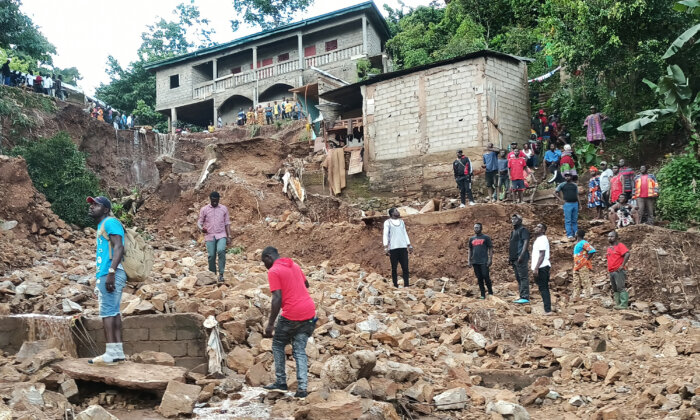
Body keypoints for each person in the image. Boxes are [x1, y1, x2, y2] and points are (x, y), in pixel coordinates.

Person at [261, 246, 316, 399]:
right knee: (299, 349)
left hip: (292, 313)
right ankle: (302, 389)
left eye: (263, 262)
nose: (264, 265)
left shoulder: (273, 271)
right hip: (309, 312)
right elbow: (306, 285)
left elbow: (277, 298)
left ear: (268, 257)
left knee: (278, 344)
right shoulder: (295, 265)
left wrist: (271, 324)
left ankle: (280, 382)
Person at [86, 196, 127, 365]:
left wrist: (111, 272)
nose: (91, 207)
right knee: (114, 311)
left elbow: (119, 247)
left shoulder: (110, 222)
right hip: (109, 273)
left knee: (107, 313)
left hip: (111, 273)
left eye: (96, 204)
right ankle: (118, 353)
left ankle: (110, 353)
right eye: (91, 204)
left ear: (105, 209)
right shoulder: (103, 225)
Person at [197, 191, 231, 282]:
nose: (215, 202)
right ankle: (212, 274)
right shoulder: (204, 209)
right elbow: (199, 222)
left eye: (216, 200)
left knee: (221, 251)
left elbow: (227, 223)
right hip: (209, 235)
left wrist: (229, 236)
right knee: (211, 255)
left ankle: (221, 274)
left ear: (219, 199)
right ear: (210, 199)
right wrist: (201, 228)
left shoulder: (224, 209)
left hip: (221, 234)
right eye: (213, 200)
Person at [383, 208, 413, 288]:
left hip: (403, 247)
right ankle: (395, 285)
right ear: (392, 213)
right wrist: (385, 247)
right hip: (393, 248)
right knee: (394, 268)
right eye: (396, 211)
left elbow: (405, 233)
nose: (398, 212)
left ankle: (406, 284)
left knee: (405, 267)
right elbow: (385, 234)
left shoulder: (402, 222)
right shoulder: (387, 222)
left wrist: (409, 245)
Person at [468, 223, 493, 299]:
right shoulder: (472, 239)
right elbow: (470, 249)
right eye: (475, 227)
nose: (476, 229)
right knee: (479, 278)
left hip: (484, 261)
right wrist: (469, 260)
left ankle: (490, 292)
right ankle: (482, 294)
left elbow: (490, 248)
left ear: (481, 228)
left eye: (477, 227)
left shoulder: (486, 237)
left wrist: (490, 259)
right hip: (475, 261)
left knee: (486, 276)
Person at [531, 223, 552, 315]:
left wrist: (536, 268)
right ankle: (547, 308)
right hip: (540, 267)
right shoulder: (538, 239)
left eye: (539, 227)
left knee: (544, 288)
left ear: (543, 230)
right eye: (536, 226)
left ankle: (547, 310)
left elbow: (542, 254)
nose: (536, 228)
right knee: (542, 288)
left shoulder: (543, 239)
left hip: (542, 267)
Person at [509, 214, 530, 304]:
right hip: (514, 258)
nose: (513, 221)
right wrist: (510, 257)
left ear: (520, 221)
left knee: (523, 277)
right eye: (512, 219)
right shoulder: (513, 232)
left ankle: (525, 296)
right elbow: (511, 245)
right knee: (518, 277)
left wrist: (521, 255)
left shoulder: (523, 230)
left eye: (515, 219)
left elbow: (526, 242)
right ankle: (522, 294)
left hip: (520, 257)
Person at [606, 231, 630, 309]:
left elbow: (627, 254)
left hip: (618, 270)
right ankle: (618, 303)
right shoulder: (609, 248)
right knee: (615, 288)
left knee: (620, 287)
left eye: (612, 236)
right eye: (608, 236)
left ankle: (623, 305)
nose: (610, 238)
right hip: (611, 271)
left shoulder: (620, 246)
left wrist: (622, 265)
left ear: (616, 238)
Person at [571, 229, 595, 301]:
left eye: (575, 234)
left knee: (585, 281)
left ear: (577, 235)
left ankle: (587, 296)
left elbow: (592, 250)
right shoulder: (578, 243)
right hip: (576, 265)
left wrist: (586, 260)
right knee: (576, 282)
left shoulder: (583, 242)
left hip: (583, 265)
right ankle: (576, 296)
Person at [555, 172, 580, 240]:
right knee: (568, 220)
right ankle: (569, 235)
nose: (567, 177)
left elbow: (577, 195)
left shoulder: (574, 185)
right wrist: (561, 200)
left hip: (575, 203)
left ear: (571, 177)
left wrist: (579, 204)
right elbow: (555, 192)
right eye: (566, 176)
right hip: (567, 204)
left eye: (568, 176)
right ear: (564, 177)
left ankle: (576, 234)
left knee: (574, 220)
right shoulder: (562, 185)